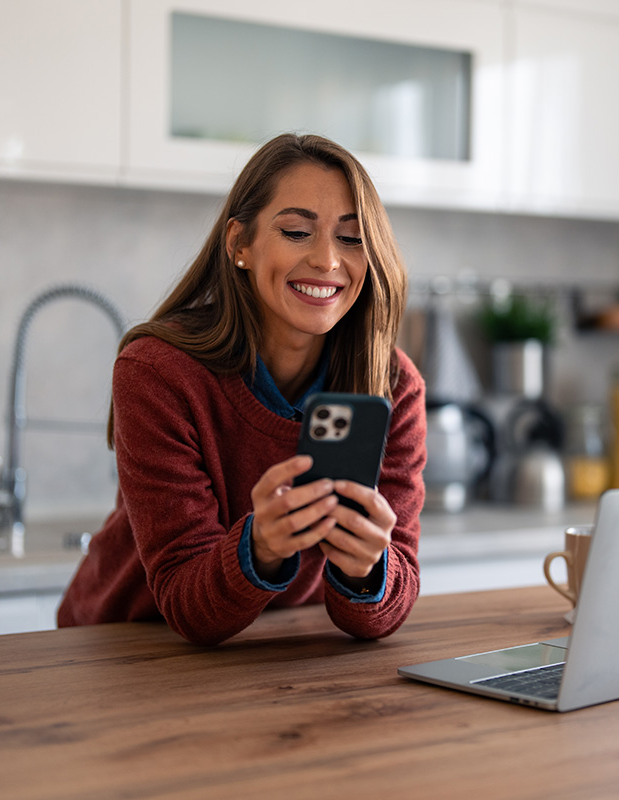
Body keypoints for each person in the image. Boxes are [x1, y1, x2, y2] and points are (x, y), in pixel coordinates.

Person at [57, 133, 427, 645]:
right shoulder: (159, 372)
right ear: (240, 245)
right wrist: (260, 547)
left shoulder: (393, 386)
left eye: (351, 237)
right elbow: (187, 605)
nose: (327, 260)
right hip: (123, 645)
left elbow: (385, 609)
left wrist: (369, 569)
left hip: (267, 649)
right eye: (297, 231)